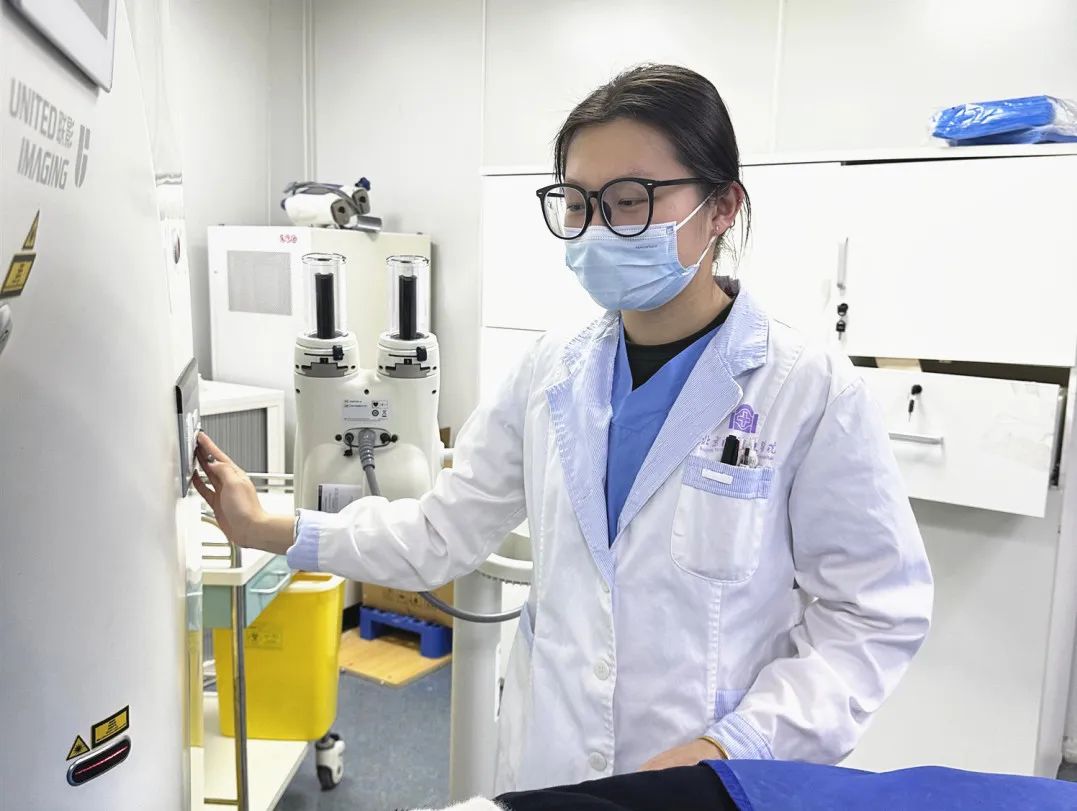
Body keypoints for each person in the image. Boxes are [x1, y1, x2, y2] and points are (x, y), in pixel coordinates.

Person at [194, 64, 933, 794]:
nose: (599, 229)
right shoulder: (551, 369)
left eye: (630, 200)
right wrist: (271, 527)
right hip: (553, 760)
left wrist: (732, 745)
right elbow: (440, 532)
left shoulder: (806, 387)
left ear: (721, 208)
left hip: (707, 782)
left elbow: (871, 614)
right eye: (577, 204)